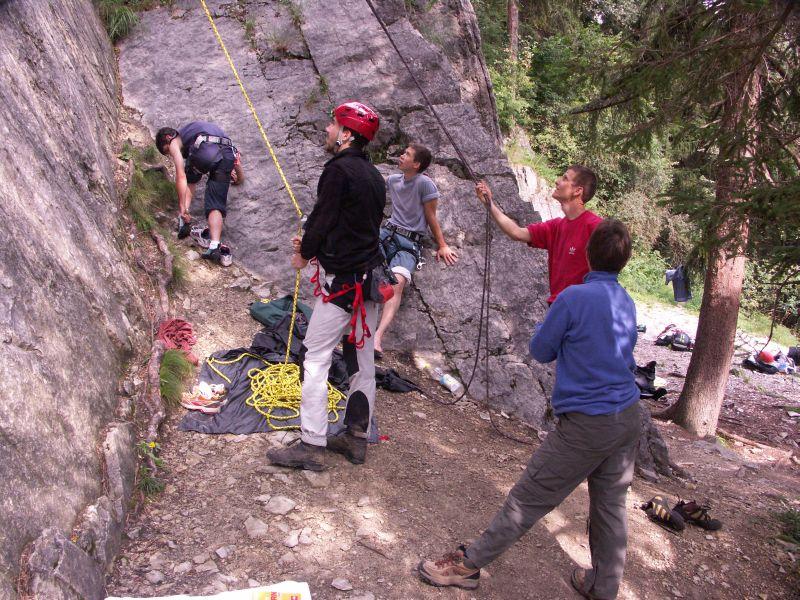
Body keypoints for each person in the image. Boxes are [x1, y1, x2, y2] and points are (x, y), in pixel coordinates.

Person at [417, 219, 641, 599]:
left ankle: (467, 566)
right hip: (627, 416)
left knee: (530, 495)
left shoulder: (573, 297)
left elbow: (540, 350)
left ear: (587, 254)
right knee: (611, 507)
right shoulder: (626, 301)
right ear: (624, 262)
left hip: (588, 422)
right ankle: (604, 586)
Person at [266, 102, 385, 471]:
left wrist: (306, 253)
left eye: (333, 126)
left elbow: (323, 218)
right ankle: (355, 437)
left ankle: (311, 444)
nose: (327, 131)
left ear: (347, 134)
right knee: (361, 363)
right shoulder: (375, 176)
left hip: (344, 285)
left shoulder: (338, 171)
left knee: (314, 359)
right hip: (368, 282)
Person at [373, 143, 458, 356]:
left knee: (397, 283)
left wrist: (443, 245)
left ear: (416, 164)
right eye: (403, 153)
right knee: (361, 266)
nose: (401, 156)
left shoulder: (424, 184)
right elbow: (374, 186)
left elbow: (431, 216)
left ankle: (377, 337)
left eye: (407, 155)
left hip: (408, 242)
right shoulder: (394, 180)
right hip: (387, 233)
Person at [476, 165, 601, 304]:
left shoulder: (596, 227)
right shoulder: (556, 227)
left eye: (565, 178)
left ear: (577, 191)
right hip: (558, 307)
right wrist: (490, 205)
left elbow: (606, 272)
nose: (557, 181)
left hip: (581, 309)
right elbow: (517, 232)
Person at [155, 121, 244, 266]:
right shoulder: (197, 130)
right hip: (227, 155)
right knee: (215, 203)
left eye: (168, 152)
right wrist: (239, 178)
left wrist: (181, 206)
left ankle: (184, 216)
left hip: (204, 154)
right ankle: (215, 245)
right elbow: (235, 158)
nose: (171, 155)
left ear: (168, 138)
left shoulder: (173, 141)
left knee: (190, 177)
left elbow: (181, 175)